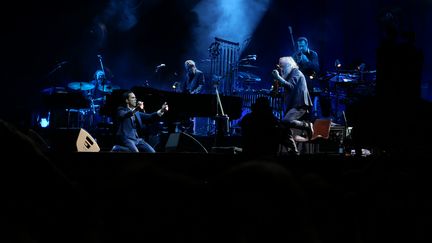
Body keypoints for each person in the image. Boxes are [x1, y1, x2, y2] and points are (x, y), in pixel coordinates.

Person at [272, 56, 314, 155]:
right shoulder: (289, 74)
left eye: (282, 66)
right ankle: (294, 151)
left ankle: (307, 125)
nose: (281, 69)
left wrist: (278, 77)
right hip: (292, 104)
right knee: (283, 127)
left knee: (286, 121)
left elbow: (290, 86)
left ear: (289, 65)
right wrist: (276, 88)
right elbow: (286, 89)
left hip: (300, 104)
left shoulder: (296, 72)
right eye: (280, 67)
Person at [293, 37, 328, 118]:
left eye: (302, 46)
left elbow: (316, 68)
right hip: (299, 84)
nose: (300, 48)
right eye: (299, 46)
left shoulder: (313, 54)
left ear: (307, 45)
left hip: (310, 83)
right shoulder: (296, 55)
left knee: (308, 107)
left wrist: (307, 61)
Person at [180, 59, 207, 134]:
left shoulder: (200, 73)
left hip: (196, 97)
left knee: (193, 115)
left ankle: (193, 131)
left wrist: (194, 92)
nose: (189, 70)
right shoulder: (187, 74)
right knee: (186, 114)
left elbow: (201, 85)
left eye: (191, 68)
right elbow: (185, 86)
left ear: (194, 66)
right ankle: (186, 130)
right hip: (188, 97)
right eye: (188, 69)